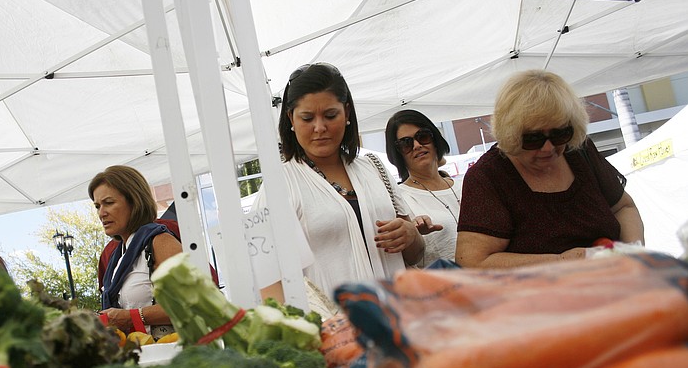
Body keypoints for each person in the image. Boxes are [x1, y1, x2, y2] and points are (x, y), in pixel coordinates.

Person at [254, 62, 424, 299]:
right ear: (291, 119)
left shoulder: (374, 168)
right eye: (307, 118)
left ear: (347, 113)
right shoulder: (278, 185)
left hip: (400, 312)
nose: (319, 127)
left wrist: (411, 235)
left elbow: (416, 254)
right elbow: (267, 282)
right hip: (333, 320)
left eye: (330, 115)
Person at [456, 69, 644, 268]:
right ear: (510, 134)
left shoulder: (579, 150)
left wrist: (632, 254)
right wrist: (561, 262)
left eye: (560, 134)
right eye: (533, 138)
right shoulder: (488, 177)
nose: (548, 148)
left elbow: (624, 207)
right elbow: (471, 261)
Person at [90, 165, 183, 339]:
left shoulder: (161, 242)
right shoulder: (117, 257)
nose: (101, 213)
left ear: (134, 201)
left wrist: (131, 317)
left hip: (172, 351)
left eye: (109, 203)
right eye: (97, 206)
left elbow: (188, 304)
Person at [385, 109, 462, 267]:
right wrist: (412, 235)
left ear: (435, 139)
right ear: (397, 153)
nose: (417, 145)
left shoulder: (466, 185)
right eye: (406, 143)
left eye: (423, 136)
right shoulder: (398, 200)